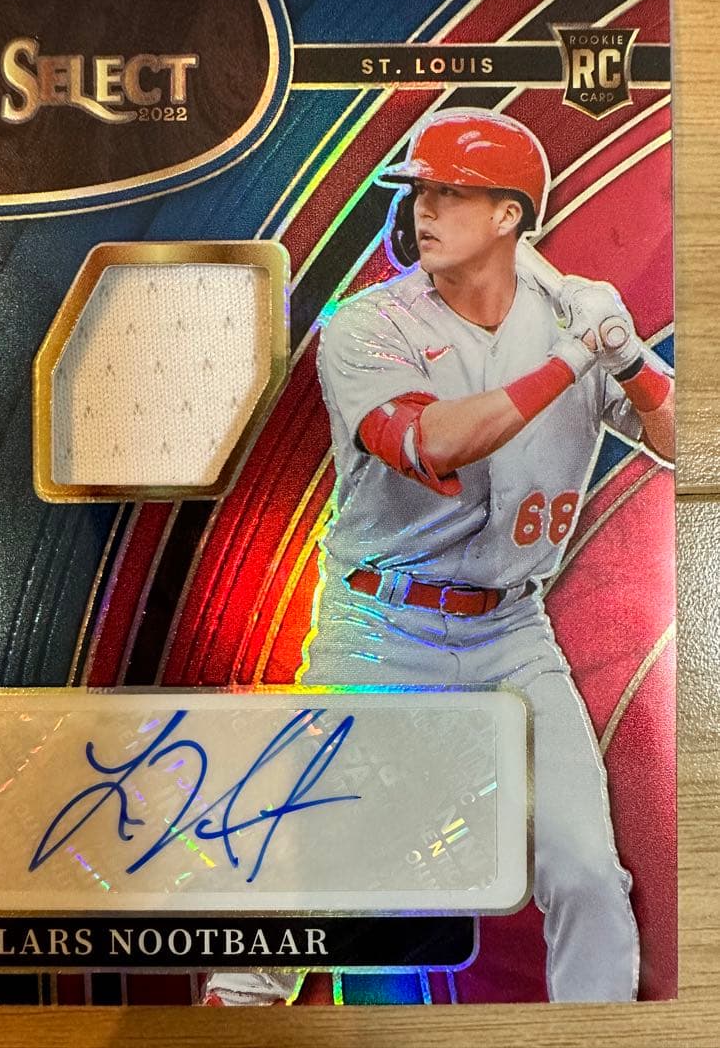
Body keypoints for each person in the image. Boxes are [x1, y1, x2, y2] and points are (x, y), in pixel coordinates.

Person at [203, 109, 674, 1006]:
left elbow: (694, 446)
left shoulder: (568, 317)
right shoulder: (367, 327)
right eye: (420, 191)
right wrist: (573, 358)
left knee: (587, 875)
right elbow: (434, 443)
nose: (424, 209)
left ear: (508, 214)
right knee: (293, 901)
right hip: (379, 631)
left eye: (450, 192)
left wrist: (631, 361)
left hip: (514, 636)